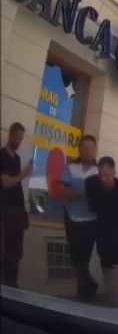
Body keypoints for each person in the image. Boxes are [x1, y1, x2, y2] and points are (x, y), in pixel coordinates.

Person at [85, 157, 118, 307]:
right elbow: (92, 206)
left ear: (114, 172)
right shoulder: (92, 184)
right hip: (102, 234)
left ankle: (117, 308)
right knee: (106, 272)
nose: (103, 178)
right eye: (101, 174)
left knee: (117, 272)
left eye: (107, 175)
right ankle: (110, 305)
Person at [59, 134, 99, 299]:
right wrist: (81, 193)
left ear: (95, 151)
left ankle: (83, 292)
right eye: (84, 148)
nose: (87, 151)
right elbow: (62, 192)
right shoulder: (70, 168)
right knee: (76, 257)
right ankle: (87, 287)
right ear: (79, 150)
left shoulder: (99, 171)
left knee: (84, 256)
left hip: (91, 221)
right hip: (72, 218)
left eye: (90, 149)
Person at [0, 123, 32, 288]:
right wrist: (23, 175)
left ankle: (12, 283)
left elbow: (17, 186)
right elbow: (5, 182)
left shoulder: (17, 158)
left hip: (18, 210)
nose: (20, 142)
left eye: (21, 139)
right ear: (11, 135)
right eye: (18, 138)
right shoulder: (3, 155)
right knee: (8, 249)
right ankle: (7, 286)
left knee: (17, 251)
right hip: (6, 210)